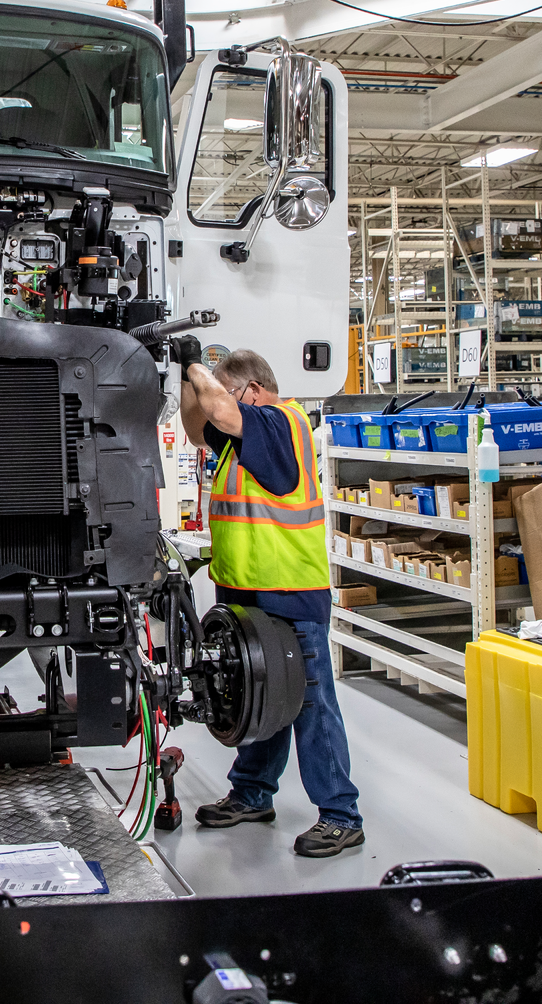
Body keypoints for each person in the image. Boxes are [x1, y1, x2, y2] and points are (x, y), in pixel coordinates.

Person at [176, 342, 366, 858]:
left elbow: (219, 411)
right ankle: (253, 794)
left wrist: (196, 362)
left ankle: (341, 814)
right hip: (248, 592)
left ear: (254, 391)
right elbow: (199, 426)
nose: (226, 405)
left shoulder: (281, 422)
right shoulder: (245, 437)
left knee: (309, 703)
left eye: (232, 393)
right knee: (259, 695)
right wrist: (185, 376)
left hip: (289, 591)